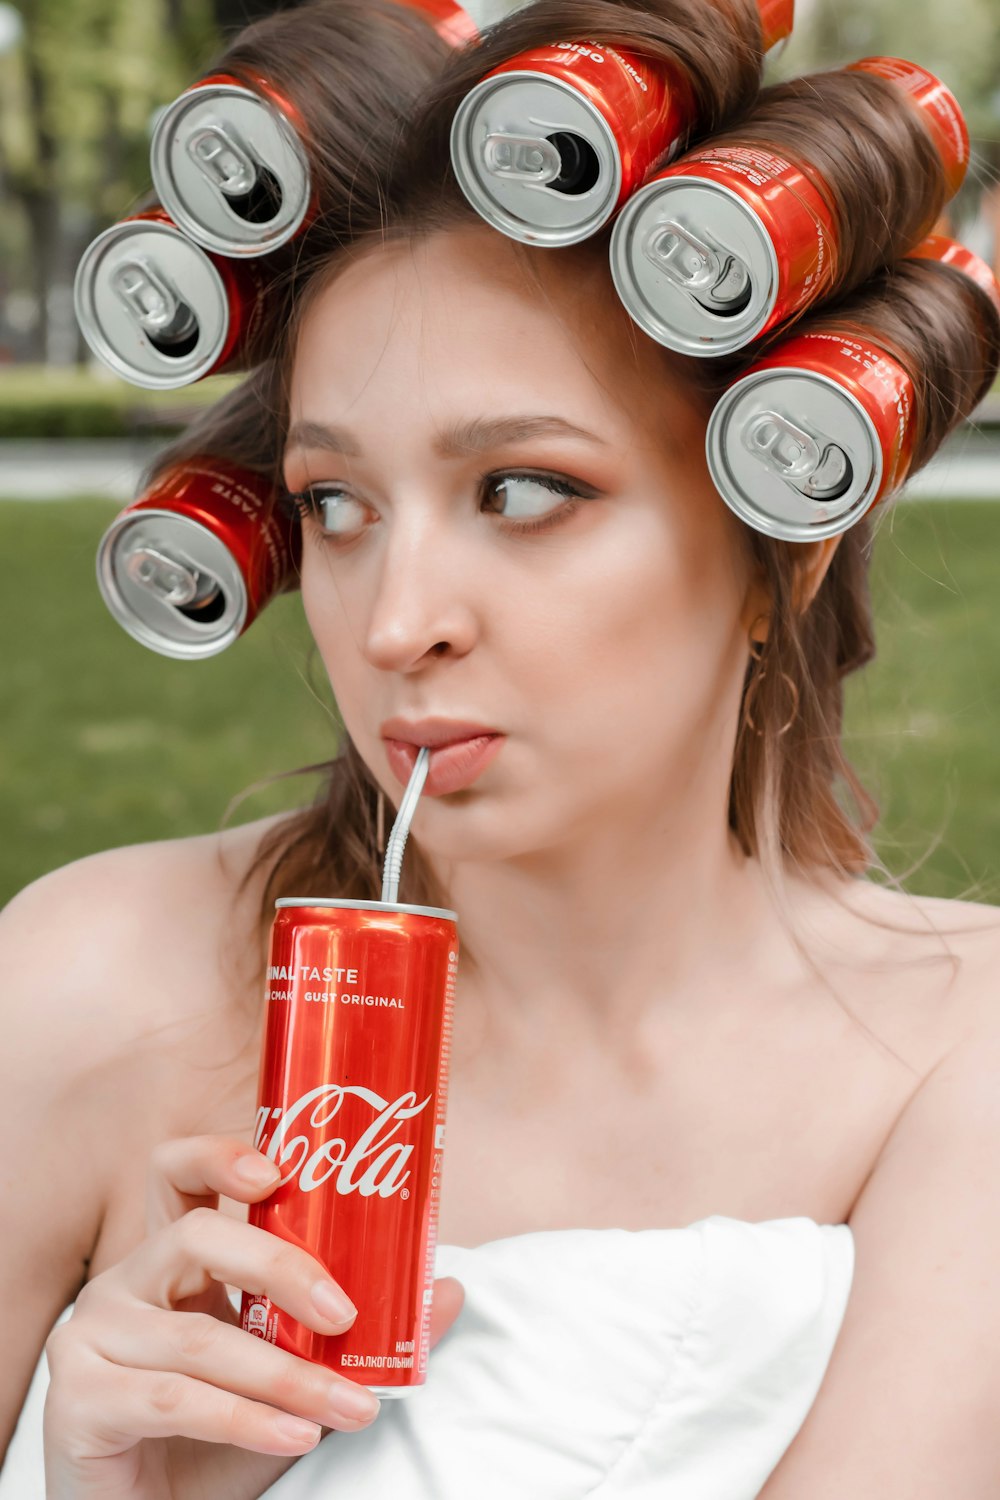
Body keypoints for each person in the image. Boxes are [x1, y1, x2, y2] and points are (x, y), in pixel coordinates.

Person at [4, 1, 1000, 1496]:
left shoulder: (958, 1052)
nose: (396, 623)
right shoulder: (92, 984)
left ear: (780, 549)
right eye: (336, 504)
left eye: (526, 491)